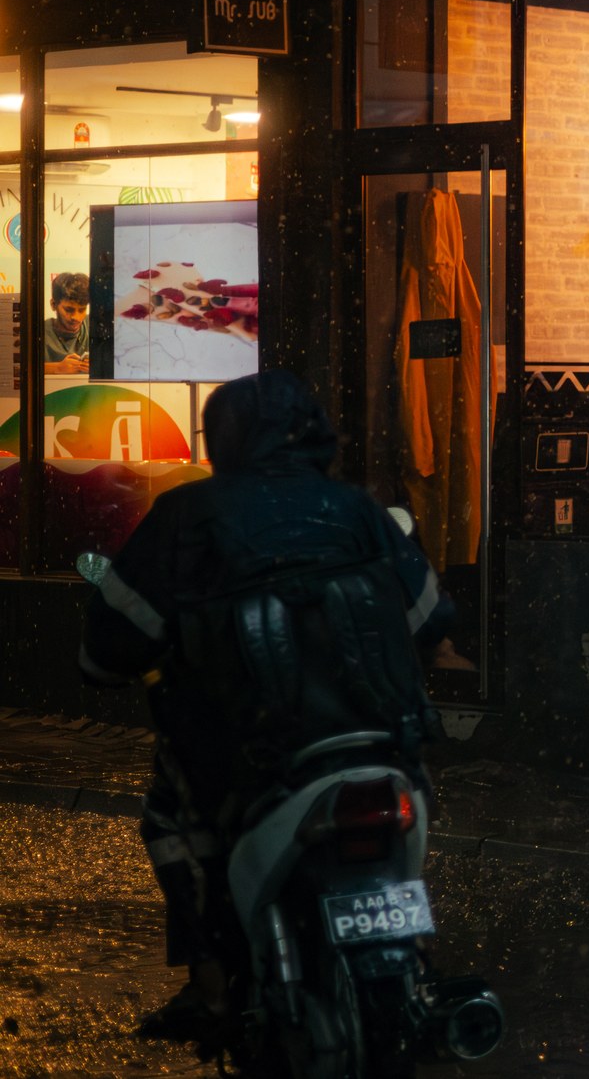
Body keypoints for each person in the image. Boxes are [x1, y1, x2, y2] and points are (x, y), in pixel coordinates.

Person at [78, 370, 455, 1041]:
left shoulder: (186, 517)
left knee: (173, 815)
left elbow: (108, 650)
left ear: (222, 438)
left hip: (253, 753)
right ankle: (416, 982)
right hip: (380, 743)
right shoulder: (357, 510)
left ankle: (213, 986)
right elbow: (432, 617)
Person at [43, 271, 89, 375]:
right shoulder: (38, 332)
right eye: (69, 310)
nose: (76, 317)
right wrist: (57, 368)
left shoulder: (97, 327)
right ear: (53, 304)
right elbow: (17, 370)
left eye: (82, 310)